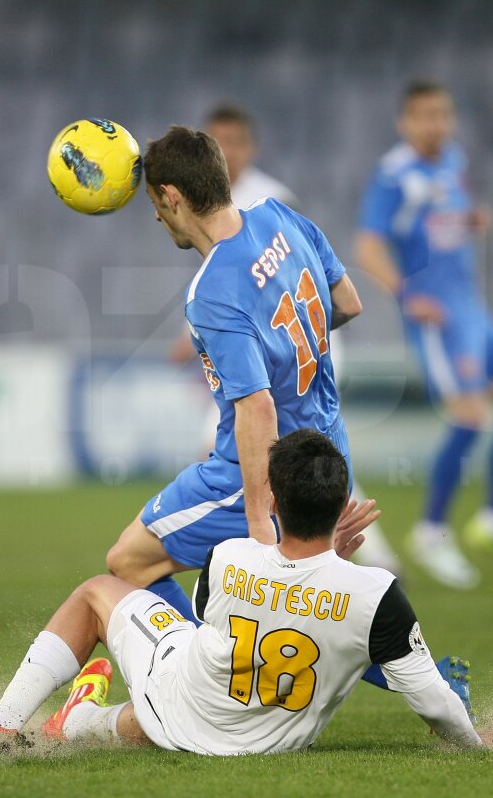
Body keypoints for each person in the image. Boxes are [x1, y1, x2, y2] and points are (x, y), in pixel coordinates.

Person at [0, 429, 481, 754]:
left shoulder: (227, 557)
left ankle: (2, 724)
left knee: (100, 590)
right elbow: (438, 706)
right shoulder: (376, 593)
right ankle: (73, 722)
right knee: (186, 697)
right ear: (341, 506)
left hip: (186, 715)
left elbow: (215, 626)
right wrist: (477, 747)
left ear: (274, 505)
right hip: (272, 743)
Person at [103, 125, 365, 626]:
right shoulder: (279, 216)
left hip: (270, 466)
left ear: (173, 197)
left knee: (128, 562)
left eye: (156, 204)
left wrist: (257, 526)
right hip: (330, 446)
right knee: (303, 603)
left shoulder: (212, 292)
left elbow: (257, 408)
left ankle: (201, 663)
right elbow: (348, 303)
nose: (157, 217)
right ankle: (425, 673)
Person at [170, 107, 403, 574]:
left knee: (264, 464)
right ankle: (355, 560)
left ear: (248, 148)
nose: (229, 151)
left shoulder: (267, 198)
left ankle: (267, 564)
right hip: (285, 347)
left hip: (291, 352)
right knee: (310, 465)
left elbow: (263, 288)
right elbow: (230, 297)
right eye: (220, 142)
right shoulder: (218, 205)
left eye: (235, 141)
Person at [355, 79, 493, 590]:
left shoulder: (452, 161)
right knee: (471, 417)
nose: (436, 123)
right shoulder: (394, 175)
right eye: (425, 115)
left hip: (472, 308)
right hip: (437, 316)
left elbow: (443, 221)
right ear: (405, 122)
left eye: (443, 113)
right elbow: (369, 246)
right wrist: (406, 294)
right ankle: (431, 533)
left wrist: (472, 219)